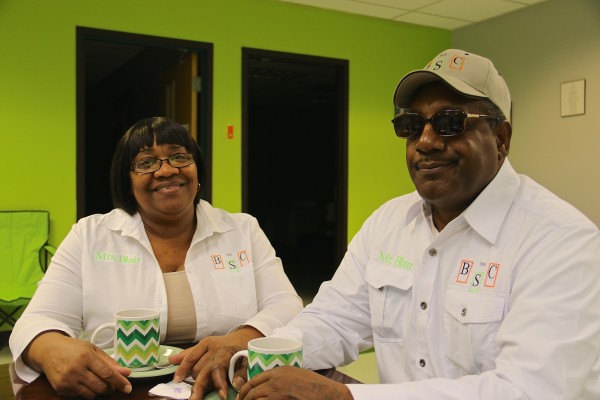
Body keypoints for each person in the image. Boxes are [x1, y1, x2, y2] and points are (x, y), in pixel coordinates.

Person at [187, 49, 600, 400]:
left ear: (502, 138)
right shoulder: (389, 222)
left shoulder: (560, 241)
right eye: (411, 125)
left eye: (450, 123)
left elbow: (531, 389)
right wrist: (254, 350)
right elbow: (335, 319)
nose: (426, 141)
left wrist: (347, 395)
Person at [9, 117, 303, 398]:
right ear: (127, 180)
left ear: (196, 169)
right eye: (146, 162)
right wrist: (50, 349)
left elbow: (285, 303)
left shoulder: (242, 230)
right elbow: (38, 319)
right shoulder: (90, 235)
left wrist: (240, 339)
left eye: (179, 157)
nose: (166, 171)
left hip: (224, 382)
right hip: (118, 388)